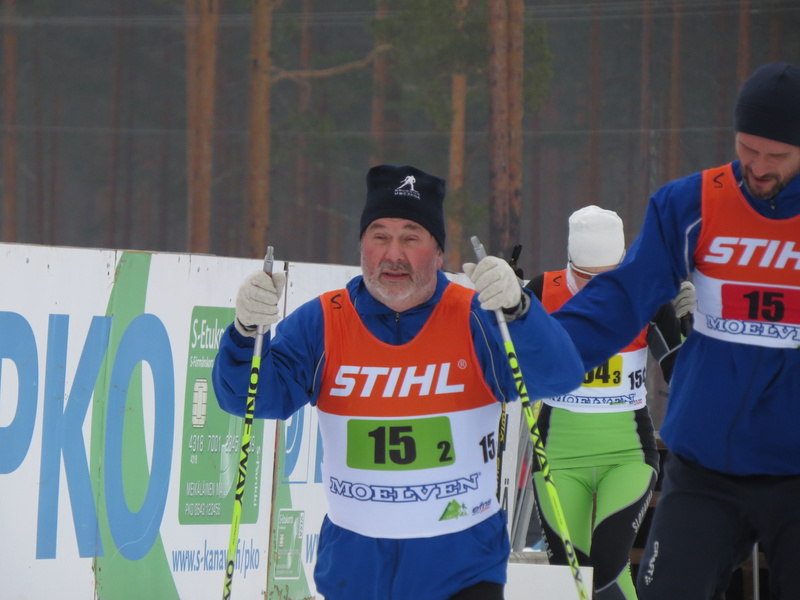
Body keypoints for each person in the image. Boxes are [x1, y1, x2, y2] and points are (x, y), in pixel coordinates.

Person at [212, 164, 585, 600]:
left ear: (438, 252)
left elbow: (560, 375)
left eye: (411, 238)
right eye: (380, 236)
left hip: (461, 572)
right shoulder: (324, 321)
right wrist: (245, 332)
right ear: (362, 246)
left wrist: (521, 311)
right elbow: (249, 399)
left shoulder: (476, 317)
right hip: (356, 572)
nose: (394, 254)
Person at [551, 62, 800, 599]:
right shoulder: (692, 203)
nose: (758, 167)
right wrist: (539, 346)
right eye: (747, 148)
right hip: (706, 462)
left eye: (777, 155)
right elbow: (623, 297)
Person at [523, 205, 693, 600]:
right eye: (584, 278)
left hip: (626, 456)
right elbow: (506, 357)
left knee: (607, 569)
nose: (596, 290)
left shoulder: (646, 297)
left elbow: (684, 376)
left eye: (608, 278)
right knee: (570, 579)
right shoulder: (543, 290)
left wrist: (694, 328)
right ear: (569, 261)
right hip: (559, 457)